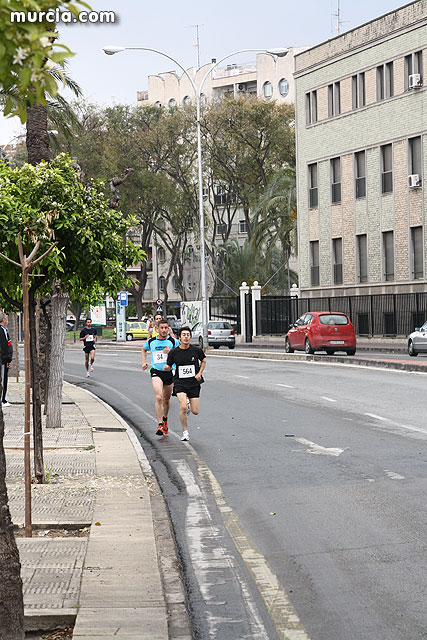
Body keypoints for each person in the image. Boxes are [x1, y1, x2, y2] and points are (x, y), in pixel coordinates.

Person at [164, 325, 206, 442]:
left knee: (195, 411)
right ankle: (185, 432)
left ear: (190, 337)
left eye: (188, 335)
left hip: (193, 383)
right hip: (180, 382)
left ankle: (188, 404)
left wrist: (199, 373)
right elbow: (169, 365)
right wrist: (167, 367)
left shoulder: (196, 350)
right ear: (179, 338)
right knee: (182, 407)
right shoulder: (174, 352)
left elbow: (204, 360)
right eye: (184, 335)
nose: (186, 337)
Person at [142, 318, 179, 436]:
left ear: (168, 329)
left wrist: (171, 353)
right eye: (161, 328)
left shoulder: (172, 342)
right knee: (158, 397)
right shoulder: (152, 341)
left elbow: (180, 353)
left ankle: (165, 419)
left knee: (166, 400)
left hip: (169, 373)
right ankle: (159, 424)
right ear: (157, 329)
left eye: (166, 328)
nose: (164, 330)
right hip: (156, 371)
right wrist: (144, 362)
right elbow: (143, 349)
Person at [0, 312, 13, 407]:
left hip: (4, 359)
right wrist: (8, 359)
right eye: (6, 318)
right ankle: (2, 399)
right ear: (3, 320)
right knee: (2, 379)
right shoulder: (2, 330)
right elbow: (5, 346)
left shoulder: (4, 329)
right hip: (3, 360)